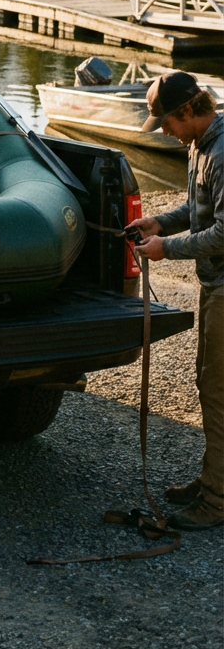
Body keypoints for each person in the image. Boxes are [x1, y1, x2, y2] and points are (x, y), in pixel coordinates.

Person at [131, 71, 223, 530]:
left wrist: (166, 250)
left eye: (167, 121)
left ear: (189, 110)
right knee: (210, 386)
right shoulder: (199, 143)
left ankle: (218, 499)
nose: (164, 130)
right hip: (215, 283)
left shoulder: (223, 152)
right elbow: (197, 206)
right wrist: (160, 224)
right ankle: (215, 480)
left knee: (219, 391)